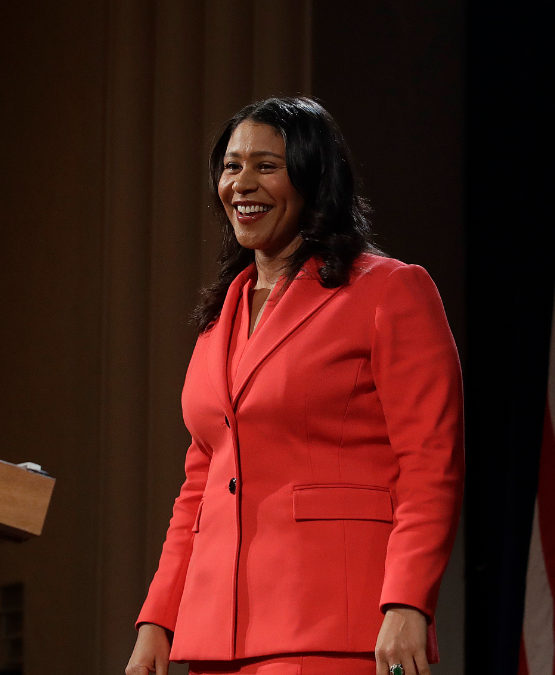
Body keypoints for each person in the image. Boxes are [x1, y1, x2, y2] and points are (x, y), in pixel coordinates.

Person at [124, 97, 464, 675]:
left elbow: (431, 462)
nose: (242, 184)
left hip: (336, 622)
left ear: (313, 178)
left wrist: (408, 601)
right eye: (231, 166)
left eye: (267, 166)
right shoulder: (221, 316)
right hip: (219, 637)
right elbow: (201, 484)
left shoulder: (388, 290)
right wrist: (159, 620)